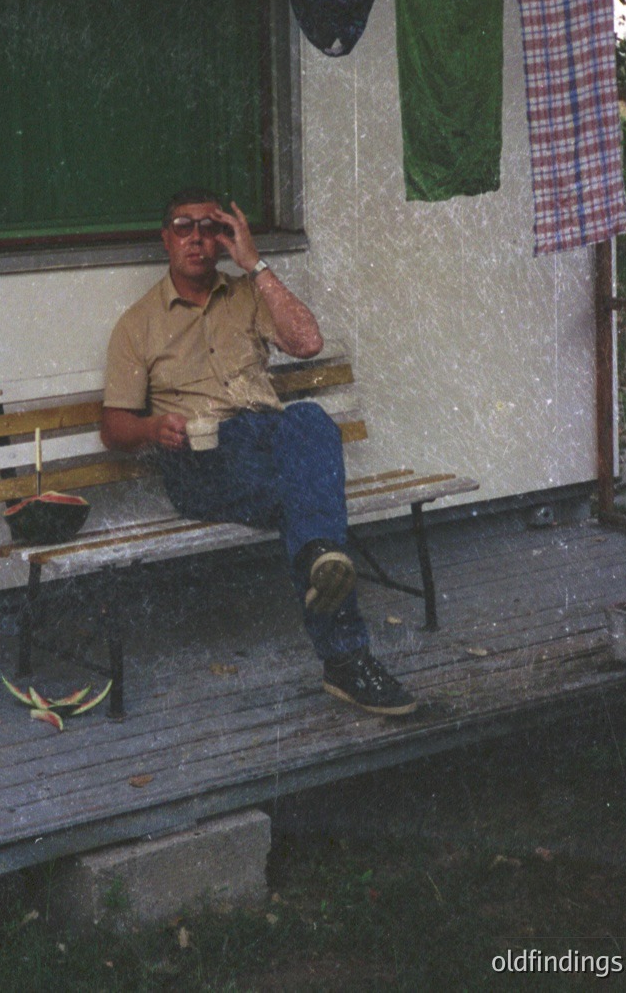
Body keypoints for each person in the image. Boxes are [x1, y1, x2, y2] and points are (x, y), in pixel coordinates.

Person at [101, 187, 417, 717]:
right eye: (184, 227)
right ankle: (345, 652)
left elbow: (308, 343)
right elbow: (113, 426)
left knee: (311, 418)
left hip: (268, 440)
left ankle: (322, 564)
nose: (198, 239)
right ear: (165, 239)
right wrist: (154, 429)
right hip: (202, 458)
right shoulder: (139, 325)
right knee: (312, 503)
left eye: (211, 227)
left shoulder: (246, 294)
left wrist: (255, 263)